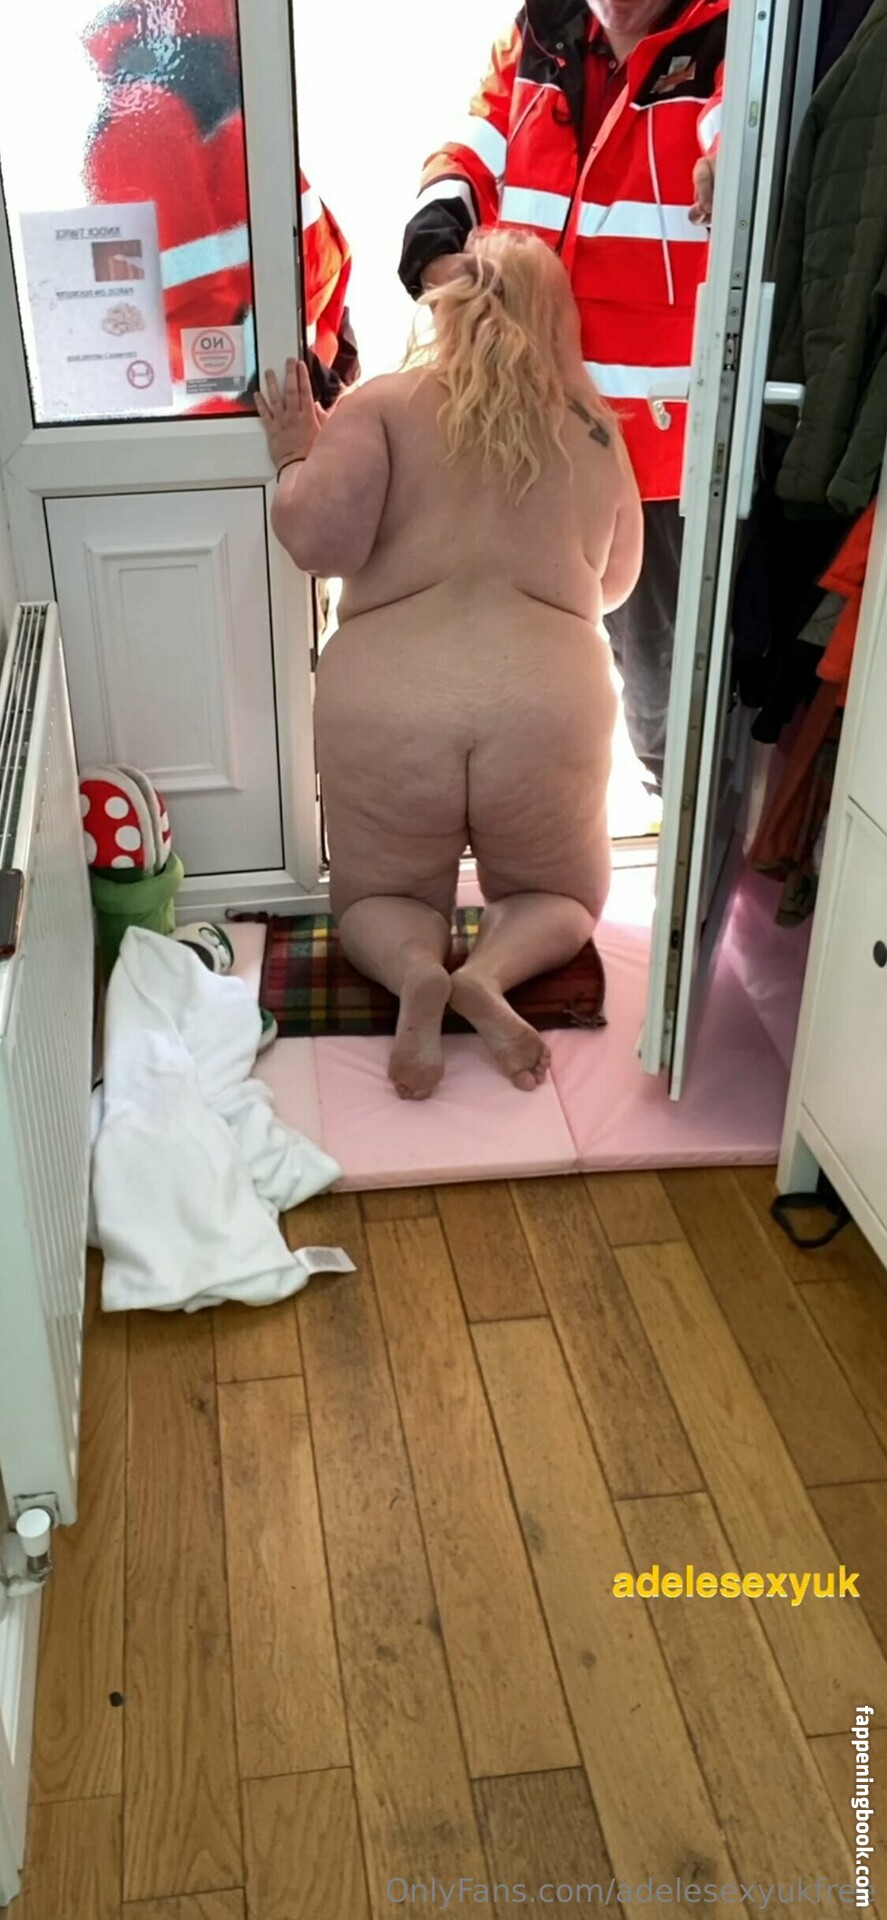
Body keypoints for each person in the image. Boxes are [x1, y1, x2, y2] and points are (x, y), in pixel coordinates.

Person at [258, 230, 643, 1100]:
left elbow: (319, 543)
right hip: (547, 702)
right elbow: (617, 584)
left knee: (375, 901)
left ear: (447, 306)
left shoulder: (381, 405)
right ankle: (490, 975)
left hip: (388, 701)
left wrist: (293, 455)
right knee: (559, 898)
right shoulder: (593, 430)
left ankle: (415, 973)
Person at [397, 0, 727, 794]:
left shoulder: (729, 33)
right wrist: (434, 242)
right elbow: (471, 149)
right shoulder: (539, 30)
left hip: (655, 452)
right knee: (518, 657)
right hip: (522, 424)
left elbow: (739, 127)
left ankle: (680, 817)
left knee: (659, 689)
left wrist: (728, 164)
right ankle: (518, 815)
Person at [83, 0, 359, 411]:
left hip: (290, 403)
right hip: (240, 429)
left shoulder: (233, 86)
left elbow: (304, 233)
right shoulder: (145, 117)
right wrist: (294, 382)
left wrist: (334, 337)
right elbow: (179, 305)